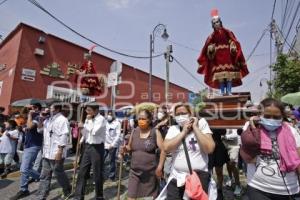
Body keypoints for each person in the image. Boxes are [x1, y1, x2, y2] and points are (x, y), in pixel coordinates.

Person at [240, 98, 300, 200]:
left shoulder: (291, 131)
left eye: (276, 117)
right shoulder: (251, 128)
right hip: (258, 188)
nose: (271, 119)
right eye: (267, 116)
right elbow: (248, 157)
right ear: (259, 115)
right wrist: (253, 127)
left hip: (288, 189)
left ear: (282, 117)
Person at [159, 102, 215, 200]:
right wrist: (184, 132)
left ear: (190, 114)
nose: (180, 116)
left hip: (198, 178)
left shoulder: (202, 124)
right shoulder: (173, 129)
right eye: (177, 114)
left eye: (183, 113)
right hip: (177, 177)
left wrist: (195, 128)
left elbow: (209, 148)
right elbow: (166, 148)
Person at [197, 9, 248, 95]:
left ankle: (229, 91)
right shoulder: (211, 36)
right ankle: (222, 92)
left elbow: (233, 40)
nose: (217, 24)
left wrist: (232, 45)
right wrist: (210, 48)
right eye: (215, 23)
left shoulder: (227, 32)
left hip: (228, 56)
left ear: (220, 22)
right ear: (213, 25)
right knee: (220, 77)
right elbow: (207, 46)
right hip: (218, 58)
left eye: (218, 22)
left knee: (229, 76)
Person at [121, 109, 162, 200]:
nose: (141, 121)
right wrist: (125, 149)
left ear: (150, 119)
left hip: (150, 174)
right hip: (135, 172)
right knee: (131, 197)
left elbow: (163, 150)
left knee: (149, 198)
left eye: (143, 118)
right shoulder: (134, 131)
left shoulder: (155, 132)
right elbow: (129, 148)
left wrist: (160, 167)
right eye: (139, 119)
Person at [35, 103, 71, 200]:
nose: (47, 109)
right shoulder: (48, 119)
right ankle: (42, 194)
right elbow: (39, 130)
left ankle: (67, 189)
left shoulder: (62, 120)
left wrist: (59, 151)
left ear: (57, 109)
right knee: (44, 174)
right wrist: (41, 120)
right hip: (46, 152)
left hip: (56, 152)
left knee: (58, 173)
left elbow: (64, 136)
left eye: (49, 107)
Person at [73, 103, 106, 200]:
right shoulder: (88, 119)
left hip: (97, 148)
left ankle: (99, 196)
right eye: (87, 110)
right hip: (87, 147)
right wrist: (82, 129)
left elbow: (94, 132)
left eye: (89, 110)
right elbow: (86, 133)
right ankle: (78, 196)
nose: (87, 112)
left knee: (97, 173)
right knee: (82, 171)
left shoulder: (101, 120)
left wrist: (86, 123)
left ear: (96, 111)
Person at [11, 103, 43, 200]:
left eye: (31, 107)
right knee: (26, 168)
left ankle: (42, 178)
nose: (29, 109)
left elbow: (29, 127)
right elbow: (27, 129)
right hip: (28, 145)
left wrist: (29, 115)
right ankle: (24, 189)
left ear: (36, 108)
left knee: (24, 169)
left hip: (34, 146)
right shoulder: (32, 117)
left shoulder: (38, 117)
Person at [208, 128, 229, 200]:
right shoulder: (203, 121)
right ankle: (208, 189)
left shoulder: (218, 121)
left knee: (219, 171)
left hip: (218, 148)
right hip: (207, 147)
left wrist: (217, 127)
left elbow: (224, 131)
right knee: (208, 171)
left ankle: (219, 190)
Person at [222, 129, 242, 196]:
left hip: (234, 146)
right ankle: (230, 178)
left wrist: (225, 137)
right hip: (225, 145)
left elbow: (236, 134)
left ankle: (238, 185)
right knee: (228, 164)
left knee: (233, 164)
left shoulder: (234, 120)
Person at [104, 111, 121, 181]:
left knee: (111, 160)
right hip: (105, 144)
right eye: (108, 114)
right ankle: (102, 174)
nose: (109, 116)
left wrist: (113, 144)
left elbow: (118, 135)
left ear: (114, 116)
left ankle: (112, 176)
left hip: (112, 145)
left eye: (111, 115)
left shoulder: (117, 123)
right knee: (101, 159)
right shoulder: (105, 122)